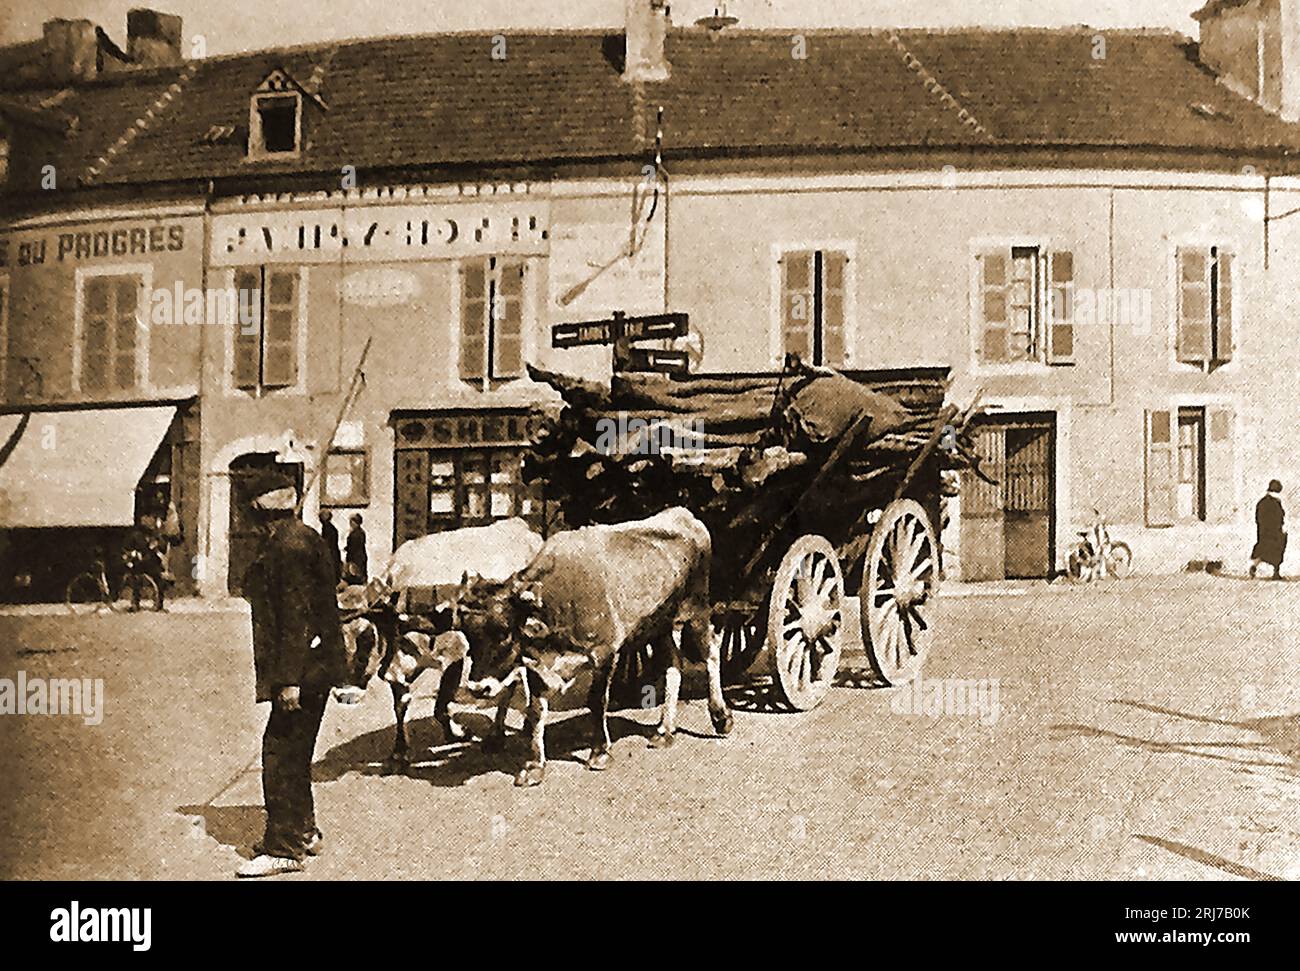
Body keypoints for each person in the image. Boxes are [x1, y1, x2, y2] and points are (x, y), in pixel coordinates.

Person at [236, 476, 347, 878]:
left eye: (246, 506)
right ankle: (304, 831)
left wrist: (288, 680)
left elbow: (296, 616)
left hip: (302, 668)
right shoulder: (298, 538)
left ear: (257, 509)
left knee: (279, 753)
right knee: (296, 751)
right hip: (314, 664)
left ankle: (283, 848)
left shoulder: (288, 546)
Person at [121, 512, 166, 611]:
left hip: (152, 562)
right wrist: (133, 555)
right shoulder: (135, 535)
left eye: (151, 518)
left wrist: (157, 546)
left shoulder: (155, 535)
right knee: (135, 579)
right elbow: (127, 549)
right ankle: (135, 603)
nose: (149, 521)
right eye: (146, 518)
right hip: (138, 563)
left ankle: (159, 604)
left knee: (159, 580)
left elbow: (163, 548)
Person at [1249, 480, 1286, 580]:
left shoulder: (1261, 502)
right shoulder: (1276, 502)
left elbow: (1258, 518)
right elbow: (1280, 516)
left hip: (1263, 531)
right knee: (1278, 551)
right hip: (1275, 532)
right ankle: (1276, 573)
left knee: (1263, 550)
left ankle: (1254, 566)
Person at [318, 509, 342, 585]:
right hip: (333, 553)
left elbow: (327, 543)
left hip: (331, 554)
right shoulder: (330, 528)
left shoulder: (327, 529)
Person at [344, 513, 368, 584]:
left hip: (355, 558)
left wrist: (348, 549)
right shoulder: (361, 532)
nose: (350, 524)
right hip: (360, 557)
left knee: (355, 576)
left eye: (352, 522)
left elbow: (353, 547)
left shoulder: (355, 534)